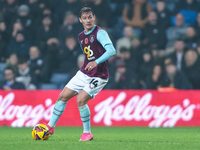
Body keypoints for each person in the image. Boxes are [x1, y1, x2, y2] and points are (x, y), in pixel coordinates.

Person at [46, 7, 116, 141]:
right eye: (85, 18)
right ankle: (50, 126)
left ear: (94, 17)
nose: (88, 20)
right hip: (85, 72)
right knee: (62, 96)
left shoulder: (100, 33)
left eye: (90, 17)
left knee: (81, 100)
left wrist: (96, 62)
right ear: (80, 20)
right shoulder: (80, 36)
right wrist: (90, 63)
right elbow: (89, 54)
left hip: (99, 75)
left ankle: (87, 133)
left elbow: (112, 50)